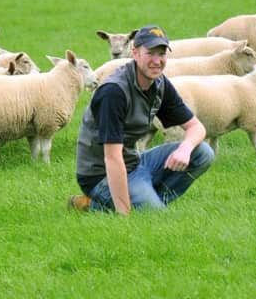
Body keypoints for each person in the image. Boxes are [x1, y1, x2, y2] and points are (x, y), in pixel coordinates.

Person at [68, 24, 214, 215]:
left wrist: (185, 150)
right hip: (100, 175)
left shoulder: (160, 83)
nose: (157, 61)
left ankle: (148, 203)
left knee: (203, 152)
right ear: (135, 53)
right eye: (150, 53)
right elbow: (112, 157)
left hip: (134, 162)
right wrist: (125, 215)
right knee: (153, 216)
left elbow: (196, 127)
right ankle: (96, 204)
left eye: (161, 54)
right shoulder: (114, 92)